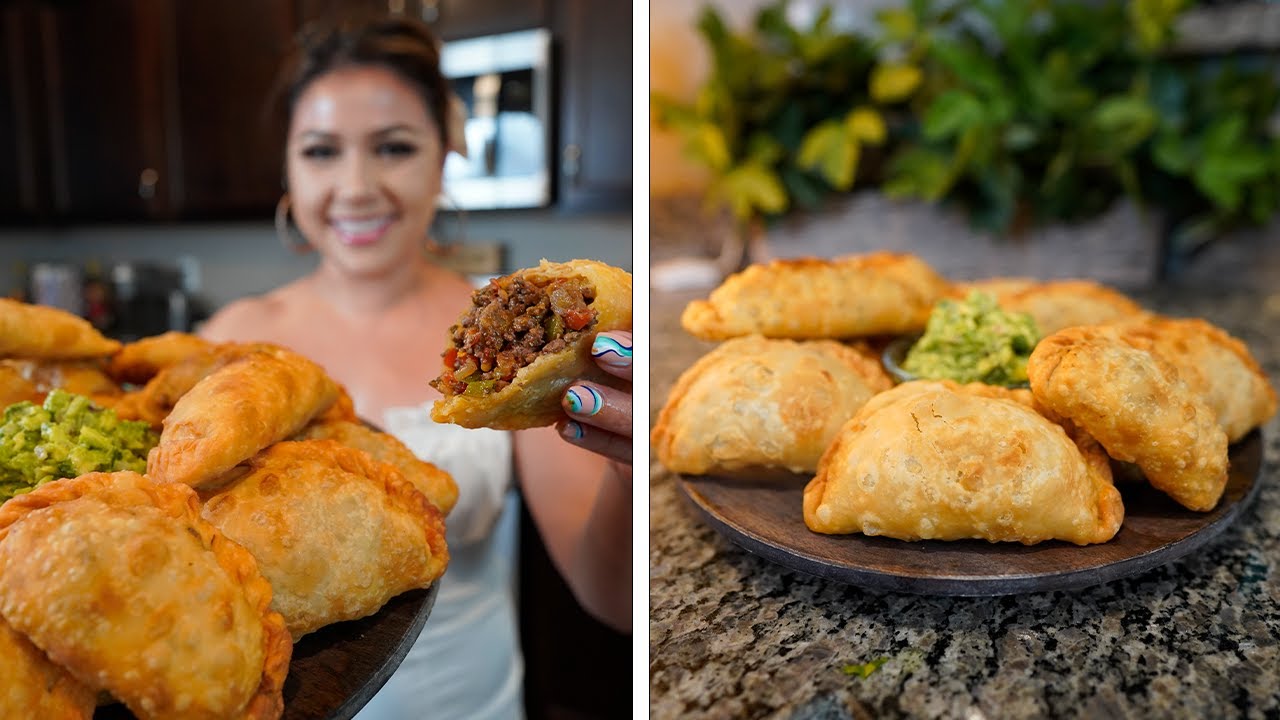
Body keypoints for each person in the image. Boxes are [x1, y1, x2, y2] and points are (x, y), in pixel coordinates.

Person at [199, 14, 632, 720]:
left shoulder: (523, 350)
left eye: (393, 147)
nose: (356, 185)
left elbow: (609, 597)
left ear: (443, 159)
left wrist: (623, 467)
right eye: (321, 152)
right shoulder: (228, 347)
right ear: (289, 170)